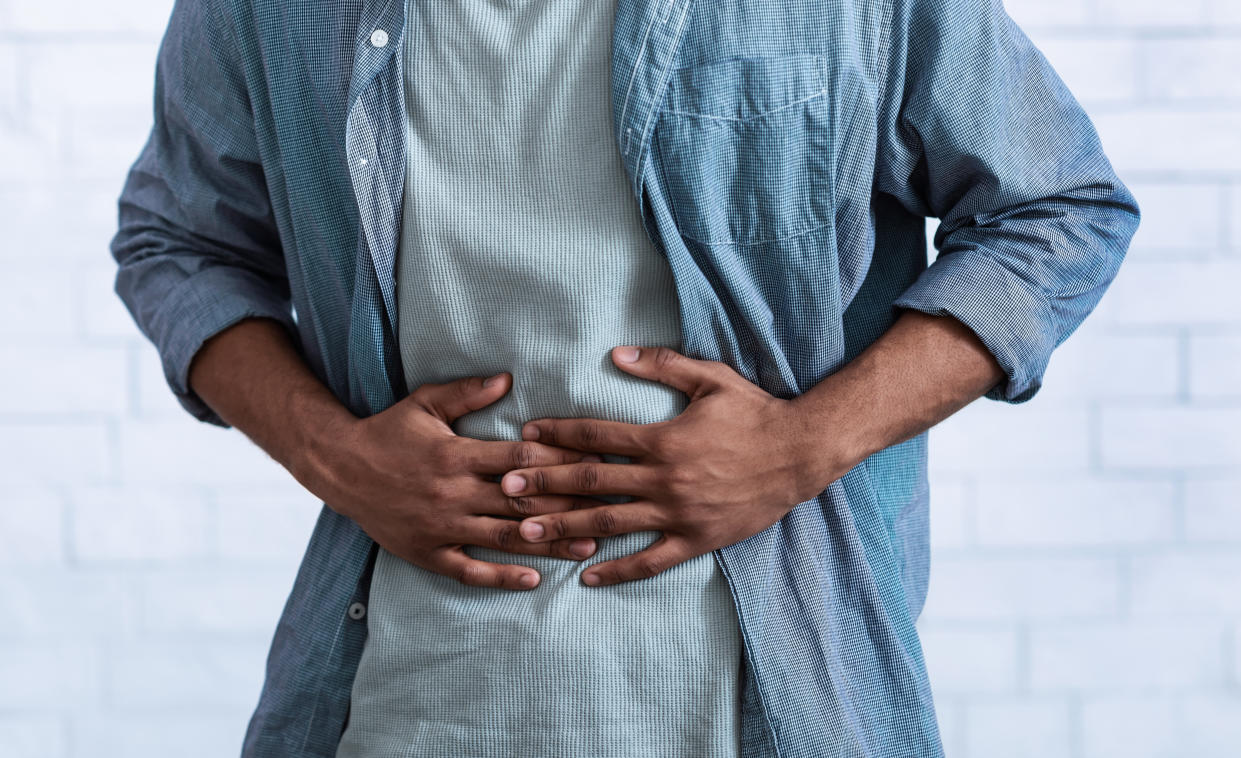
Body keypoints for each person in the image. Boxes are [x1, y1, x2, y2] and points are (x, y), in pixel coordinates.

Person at [108, 0, 1140, 755]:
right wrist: (332, 453)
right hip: (404, 701)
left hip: (771, 702)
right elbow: (179, 243)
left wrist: (796, 445)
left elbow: (1055, 209)